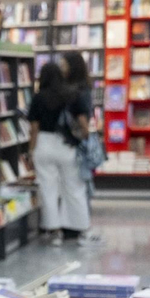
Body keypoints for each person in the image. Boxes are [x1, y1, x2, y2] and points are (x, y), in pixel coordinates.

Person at [28, 59, 93, 245]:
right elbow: (83, 125)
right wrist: (82, 139)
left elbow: (34, 128)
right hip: (66, 145)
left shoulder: (38, 98)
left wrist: (31, 151)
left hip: (44, 144)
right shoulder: (73, 95)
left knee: (48, 189)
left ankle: (54, 231)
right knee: (74, 188)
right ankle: (81, 228)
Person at [59, 49, 105, 243]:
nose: (61, 68)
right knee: (75, 186)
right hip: (73, 142)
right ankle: (73, 227)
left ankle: (79, 228)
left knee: (77, 187)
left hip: (75, 143)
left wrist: (84, 136)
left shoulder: (79, 91)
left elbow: (83, 120)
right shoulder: (77, 89)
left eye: (64, 64)